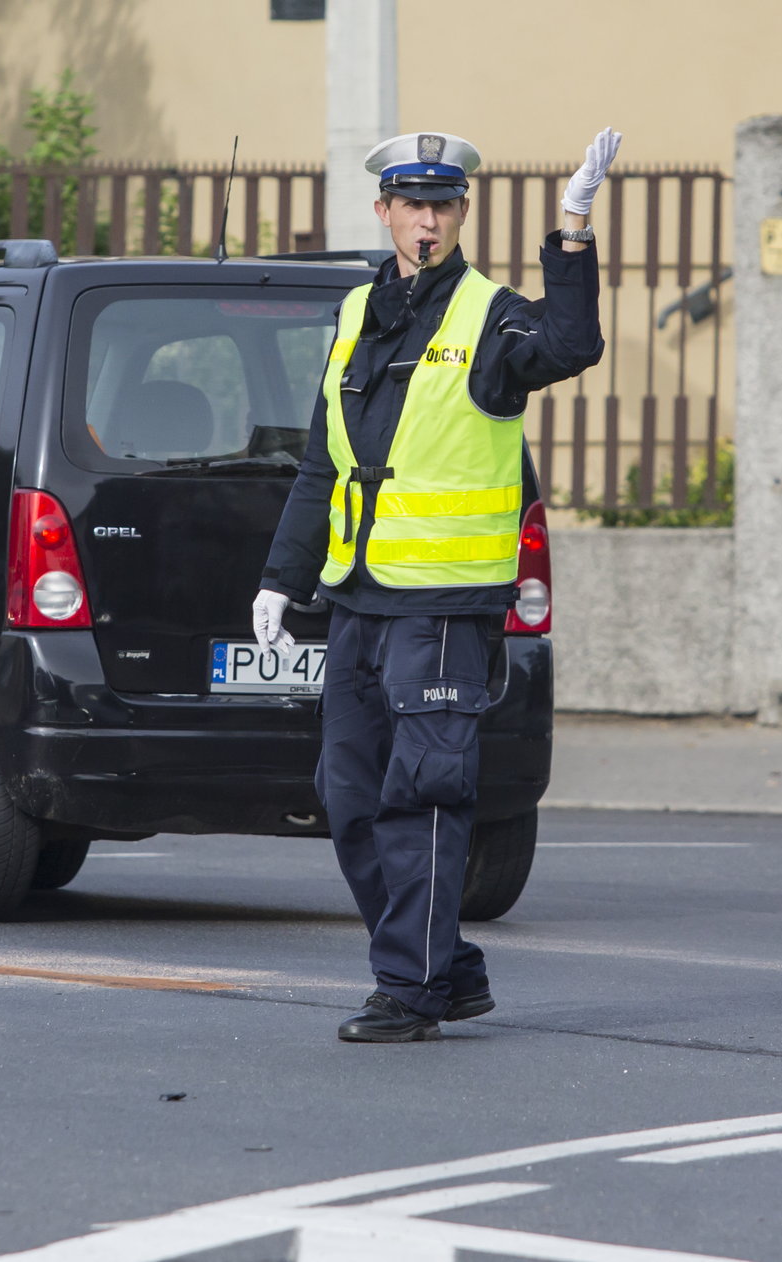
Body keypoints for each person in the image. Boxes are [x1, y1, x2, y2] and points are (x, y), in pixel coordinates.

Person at [253, 127, 621, 1043]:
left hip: (447, 606)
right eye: (412, 205)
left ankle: (412, 990)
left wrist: (572, 228)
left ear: (461, 215)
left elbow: (573, 343)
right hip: (358, 601)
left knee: (421, 795)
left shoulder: (491, 318)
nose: (427, 220)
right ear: (383, 213)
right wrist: (280, 578)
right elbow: (320, 466)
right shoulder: (353, 315)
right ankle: (445, 966)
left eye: (443, 206)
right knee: (346, 799)